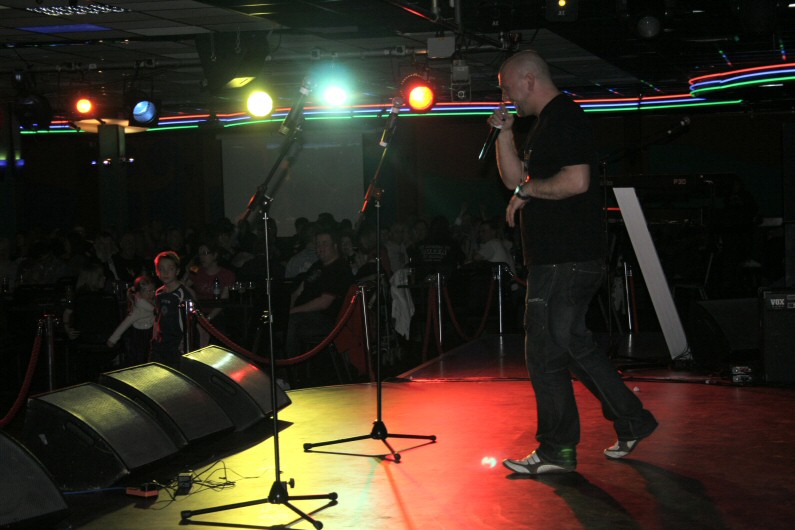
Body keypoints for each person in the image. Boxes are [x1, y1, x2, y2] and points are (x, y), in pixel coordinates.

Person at [490, 50, 657, 475]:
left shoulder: (564, 118)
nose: (507, 98)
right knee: (572, 345)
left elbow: (576, 181)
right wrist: (504, 135)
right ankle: (632, 420)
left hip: (565, 258)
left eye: (508, 89)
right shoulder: (543, 125)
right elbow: (514, 180)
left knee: (544, 354)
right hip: (562, 258)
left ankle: (557, 450)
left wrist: (528, 193)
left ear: (529, 79)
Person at [284, 229, 354, 360]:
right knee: (276, 319)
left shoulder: (340, 268)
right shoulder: (317, 266)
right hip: (304, 315)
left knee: (291, 323)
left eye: (324, 243)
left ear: (335, 246)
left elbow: (324, 302)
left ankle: (289, 368)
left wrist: (292, 311)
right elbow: (298, 291)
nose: (320, 248)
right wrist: (287, 310)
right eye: (318, 244)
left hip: (326, 320)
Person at [150, 251, 194, 368]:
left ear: (177, 271)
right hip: (160, 345)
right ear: (157, 272)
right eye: (161, 269)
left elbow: (193, 322)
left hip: (177, 345)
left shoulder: (182, 294)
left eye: (170, 268)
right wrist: (154, 338)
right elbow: (157, 317)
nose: (166, 272)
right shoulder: (159, 293)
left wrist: (185, 341)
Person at [107, 275, 156, 366]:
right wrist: (113, 339)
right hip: (141, 336)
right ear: (140, 293)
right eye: (149, 291)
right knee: (140, 360)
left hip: (149, 334)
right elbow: (126, 323)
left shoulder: (151, 303)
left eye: (153, 291)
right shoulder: (139, 309)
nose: (152, 294)